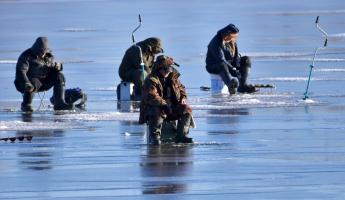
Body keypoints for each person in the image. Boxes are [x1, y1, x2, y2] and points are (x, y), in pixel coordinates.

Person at [139, 55, 193, 145]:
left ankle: (182, 135)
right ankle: (155, 137)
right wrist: (164, 104)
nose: (168, 72)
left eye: (169, 69)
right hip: (157, 109)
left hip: (172, 108)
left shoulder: (173, 78)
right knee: (156, 109)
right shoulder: (151, 80)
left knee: (186, 109)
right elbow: (151, 95)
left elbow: (181, 88)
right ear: (159, 69)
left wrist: (183, 97)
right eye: (165, 70)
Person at [14, 37, 73, 112]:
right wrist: (26, 82)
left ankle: (59, 103)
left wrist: (58, 67)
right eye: (41, 52)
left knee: (59, 76)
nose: (42, 54)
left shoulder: (48, 56)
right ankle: (26, 105)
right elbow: (21, 71)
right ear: (36, 49)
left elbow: (52, 68)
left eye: (44, 52)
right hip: (25, 83)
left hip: (43, 82)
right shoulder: (26, 56)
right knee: (34, 82)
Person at [205, 24, 257, 94]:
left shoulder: (231, 41)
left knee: (246, 59)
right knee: (222, 64)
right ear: (227, 34)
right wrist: (233, 69)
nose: (233, 39)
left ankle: (243, 85)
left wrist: (238, 67)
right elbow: (221, 59)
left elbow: (235, 56)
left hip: (229, 63)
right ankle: (230, 85)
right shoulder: (215, 43)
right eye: (232, 37)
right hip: (214, 65)